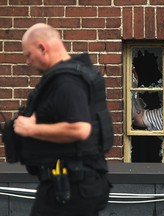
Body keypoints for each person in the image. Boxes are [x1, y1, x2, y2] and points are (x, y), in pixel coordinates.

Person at [13, 23, 112, 216]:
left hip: (72, 188)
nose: (27, 62)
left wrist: (30, 130)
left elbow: (80, 129)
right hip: (69, 184)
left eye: (28, 55)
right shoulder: (69, 76)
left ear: (43, 47)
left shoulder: (67, 82)